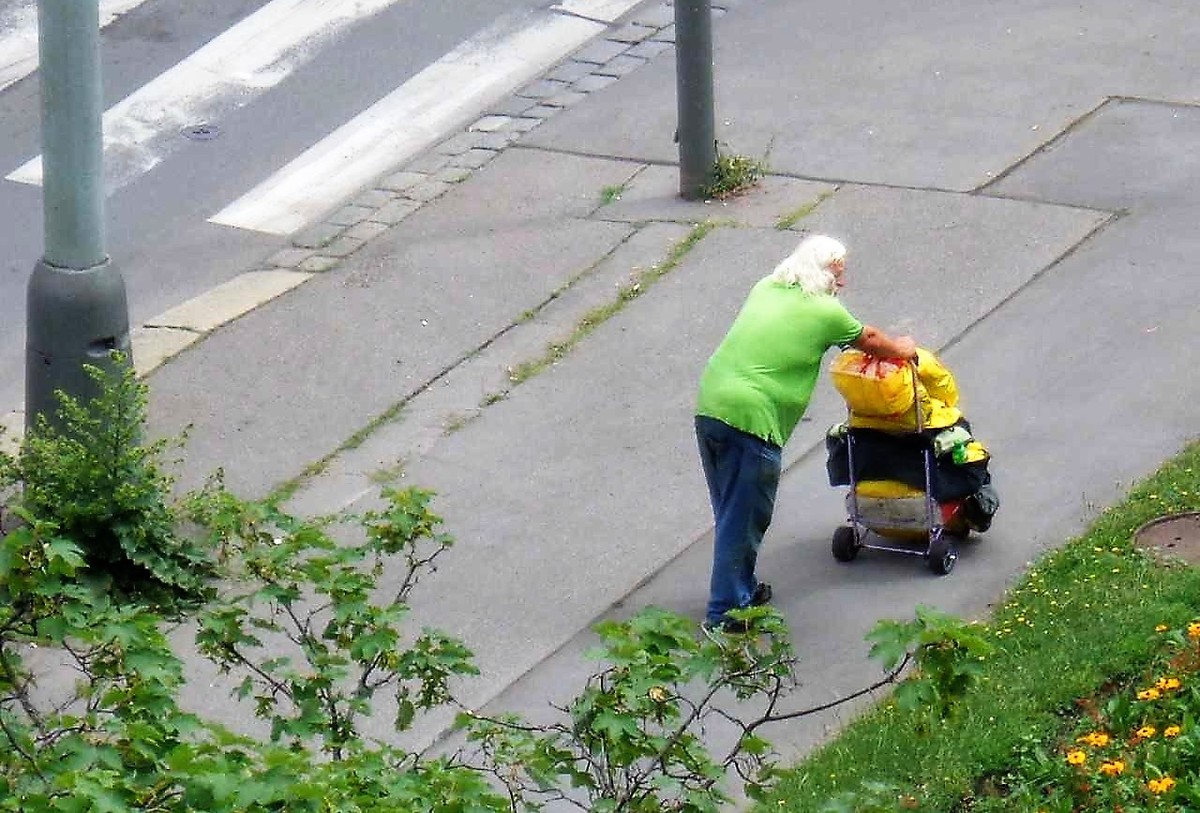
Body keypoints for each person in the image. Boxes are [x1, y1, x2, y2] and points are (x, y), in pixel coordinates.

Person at [695, 235, 916, 631]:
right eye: (838, 272)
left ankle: (741, 589)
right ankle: (726, 614)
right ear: (822, 269)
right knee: (744, 516)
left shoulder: (766, 287)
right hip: (751, 418)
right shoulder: (825, 311)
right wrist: (902, 349)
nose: (841, 282)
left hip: (711, 407)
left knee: (730, 509)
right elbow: (868, 339)